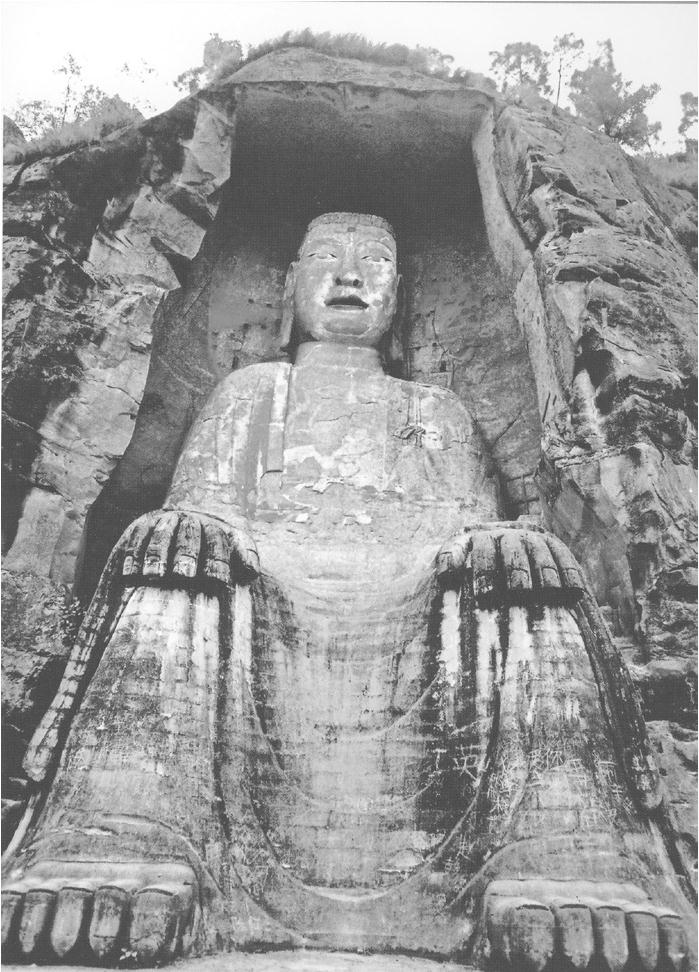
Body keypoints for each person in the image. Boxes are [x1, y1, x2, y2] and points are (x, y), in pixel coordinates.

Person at [2, 214, 693, 971]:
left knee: (528, 570)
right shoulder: (249, 392)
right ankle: (124, 835)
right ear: (290, 285)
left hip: (414, 588)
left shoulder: (436, 411)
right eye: (327, 258)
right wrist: (191, 531)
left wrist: (501, 540)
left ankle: (562, 849)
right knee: (173, 558)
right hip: (260, 582)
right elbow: (203, 507)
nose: (350, 275)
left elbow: (463, 527)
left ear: (401, 296)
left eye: (374, 261)